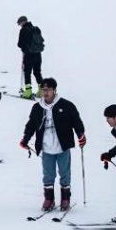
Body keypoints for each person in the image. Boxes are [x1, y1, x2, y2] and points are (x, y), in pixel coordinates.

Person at [20, 78, 85, 212]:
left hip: (63, 146)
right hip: (46, 147)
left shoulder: (66, 105)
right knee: (48, 174)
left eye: (48, 90)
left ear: (54, 90)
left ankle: (65, 198)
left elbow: (76, 121)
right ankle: (49, 198)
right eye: (43, 90)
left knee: (64, 173)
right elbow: (31, 124)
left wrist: (81, 135)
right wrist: (25, 139)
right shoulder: (38, 107)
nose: (45, 92)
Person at [16, 16, 45, 97]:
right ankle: (41, 91)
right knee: (37, 72)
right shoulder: (36, 29)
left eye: (20, 23)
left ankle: (28, 92)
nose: (20, 25)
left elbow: (20, 44)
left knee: (27, 72)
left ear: (23, 22)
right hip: (38, 54)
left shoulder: (23, 30)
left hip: (28, 55)